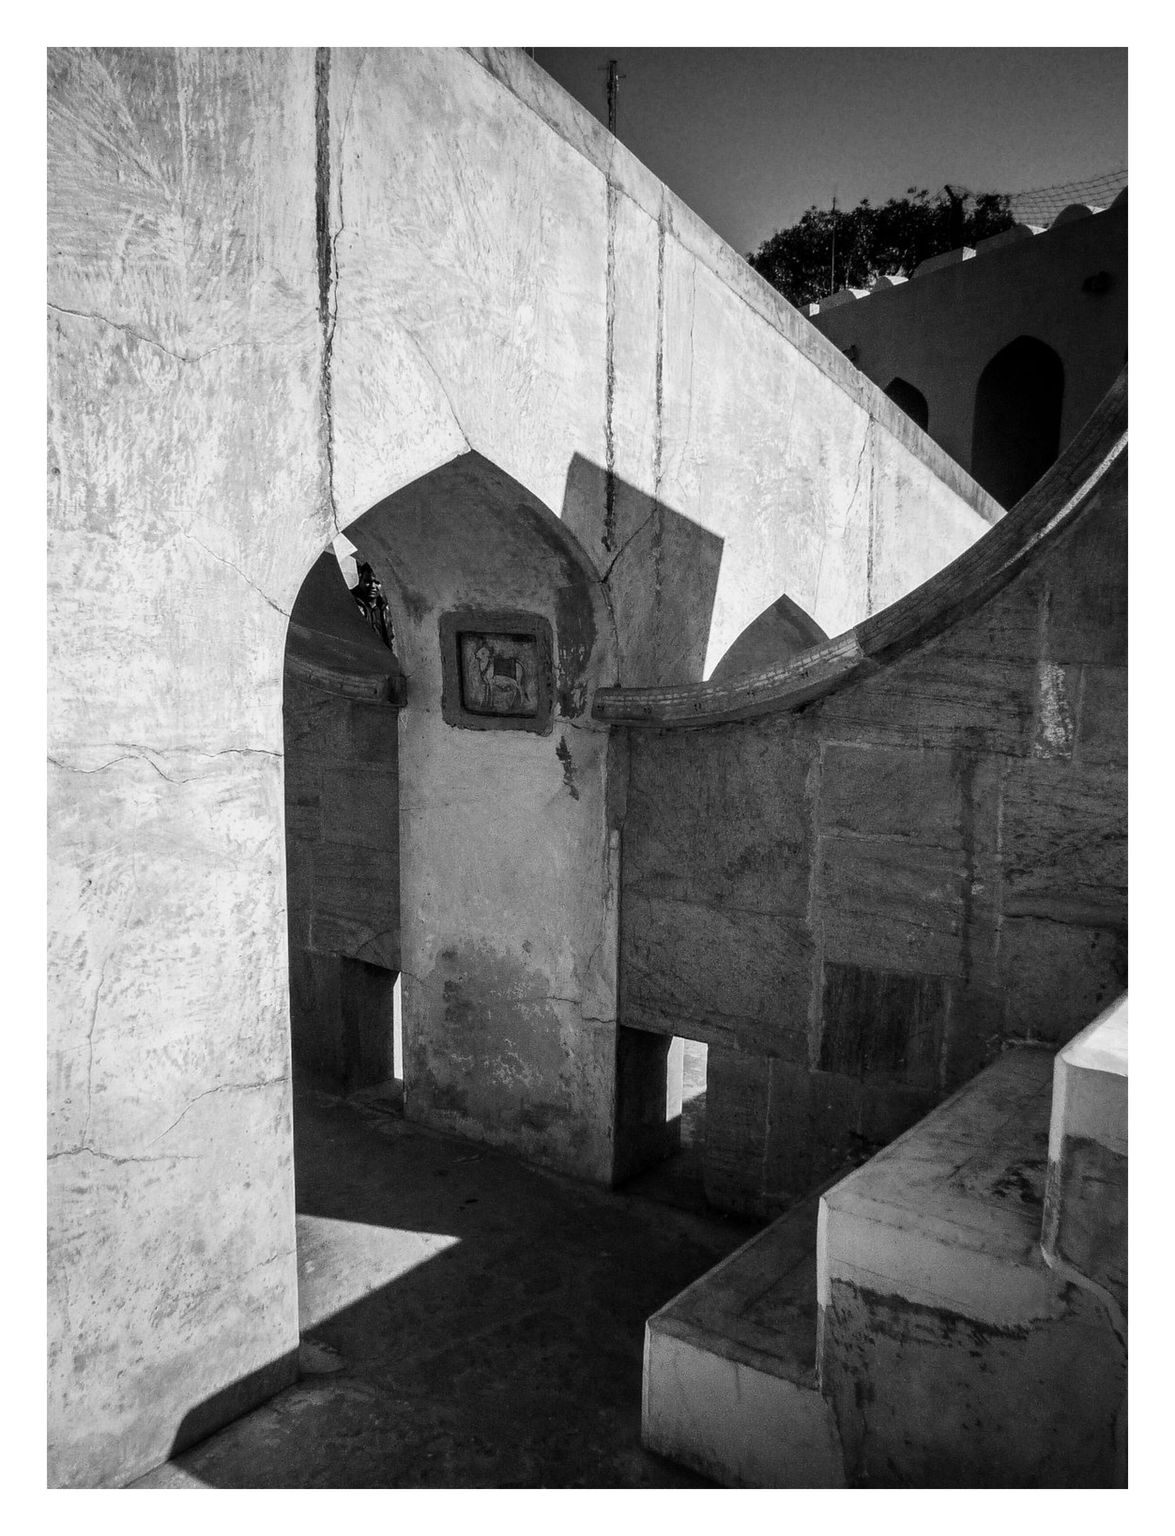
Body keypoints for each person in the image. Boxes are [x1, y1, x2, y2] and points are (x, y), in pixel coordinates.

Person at [352, 561, 393, 649]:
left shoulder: (386, 608)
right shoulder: (350, 601)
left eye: (377, 582)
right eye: (368, 581)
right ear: (360, 578)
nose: (373, 586)